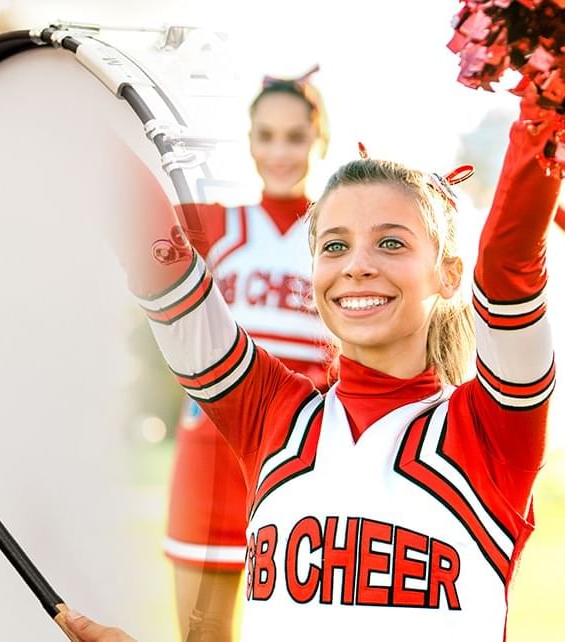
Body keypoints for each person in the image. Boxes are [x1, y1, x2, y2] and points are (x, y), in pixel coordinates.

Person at [67, 86, 561, 641]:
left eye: (391, 243)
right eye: (334, 246)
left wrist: (546, 97)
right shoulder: (271, 414)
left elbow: (509, 263)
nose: (357, 266)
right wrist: (63, 109)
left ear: (448, 275)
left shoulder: (491, 429)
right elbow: (156, 252)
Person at [164, 72, 332, 641]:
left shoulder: (338, 231)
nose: (279, 152)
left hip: (306, 456)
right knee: (202, 633)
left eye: (295, 136)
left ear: (319, 140)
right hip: (213, 452)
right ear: (250, 141)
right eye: (266, 136)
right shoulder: (213, 223)